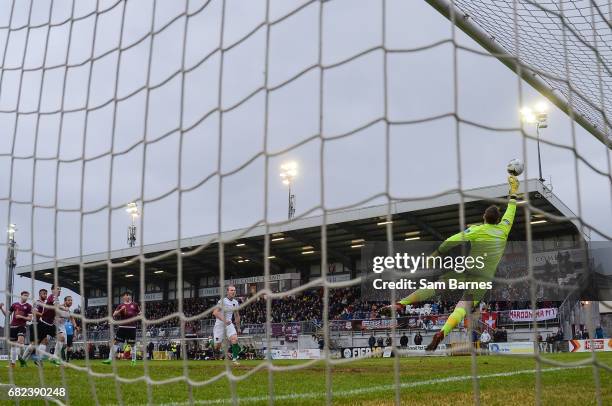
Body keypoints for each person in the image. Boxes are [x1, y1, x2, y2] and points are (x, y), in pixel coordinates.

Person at [386, 176, 519, 352]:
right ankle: (442, 332)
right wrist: (514, 192)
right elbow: (512, 209)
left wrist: (436, 254)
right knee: (462, 308)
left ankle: (401, 304)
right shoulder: (504, 228)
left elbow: (450, 240)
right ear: (498, 219)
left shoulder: (476, 230)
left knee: (436, 287)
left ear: (483, 217)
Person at [102, 291, 141, 366]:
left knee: (132, 344)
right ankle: (110, 359)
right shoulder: (121, 305)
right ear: (123, 297)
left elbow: (140, 313)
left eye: (129, 295)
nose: (128, 296)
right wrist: (121, 310)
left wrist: (136, 315)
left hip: (132, 327)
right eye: (127, 295)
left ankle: (133, 360)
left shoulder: (135, 305)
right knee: (116, 342)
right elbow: (114, 314)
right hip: (122, 327)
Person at [0, 291, 33, 367]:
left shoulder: (28, 306)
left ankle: (22, 358)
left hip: (22, 326)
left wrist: (21, 317)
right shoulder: (15, 305)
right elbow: (7, 315)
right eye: (25, 295)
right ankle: (13, 364)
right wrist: (1, 308)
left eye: (27, 296)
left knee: (20, 343)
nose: (26, 297)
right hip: (13, 326)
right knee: (13, 346)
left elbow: (30, 319)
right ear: (21, 296)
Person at [212, 285, 241, 365]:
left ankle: (234, 360)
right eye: (231, 290)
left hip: (229, 324)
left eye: (234, 290)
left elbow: (237, 316)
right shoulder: (222, 301)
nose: (233, 292)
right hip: (220, 324)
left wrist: (238, 328)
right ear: (227, 292)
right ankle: (212, 341)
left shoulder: (235, 303)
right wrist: (224, 320)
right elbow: (215, 312)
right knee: (217, 347)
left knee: (235, 339)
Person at [21, 289, 48, 366]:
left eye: (46, 294)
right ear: (40, 294)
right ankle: (23, 360)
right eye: (44, 294)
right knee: (33, 344)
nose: (45, 295)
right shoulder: (37, 302)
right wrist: (44, 315)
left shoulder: (45, 304)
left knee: (45, 341)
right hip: (36, 324)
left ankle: (38, 360)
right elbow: (34, 312)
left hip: (41, 324)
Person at [60, 296, 79, 362]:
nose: (70, 301)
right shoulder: (60, 307)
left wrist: (75, 326)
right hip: (59, 328)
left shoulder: (71, 309)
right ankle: (61, 358)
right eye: (68, 300)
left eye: (71, 300)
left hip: (68, 330)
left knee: (69, 347)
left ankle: (67, 360)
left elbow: (72, 318)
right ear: (65, 301)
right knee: (63, 345)